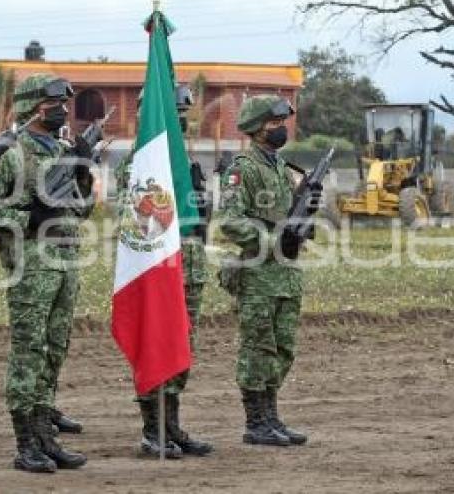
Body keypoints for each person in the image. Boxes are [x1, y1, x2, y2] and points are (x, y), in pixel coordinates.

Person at [0, 73, 90, 473]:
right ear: (32, 107)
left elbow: (81, 210)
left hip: (65, 262)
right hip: (31, 266)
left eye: (64, 101)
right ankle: (26, 442)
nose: (62, 108)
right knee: (29, 353)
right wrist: (29, 217)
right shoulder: (12, 153)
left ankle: (46, 435)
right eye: (53, 102)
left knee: (54, 350)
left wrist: (82, 172)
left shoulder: (62, 150)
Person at [114, 84, 212, 458]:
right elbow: (140, 223)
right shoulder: (139, 164)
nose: (181, 120)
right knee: (155, 340)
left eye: (183, 113)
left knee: (181, 345)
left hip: (189, 267)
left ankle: (171, 425)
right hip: (157, 267)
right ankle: (152, 430)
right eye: (174, 113)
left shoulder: (185, 162)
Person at [217, 95, 311, 448]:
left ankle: (272, 417)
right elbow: (229, 221)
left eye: (282, 122)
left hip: (286, 273)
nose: (280, 128)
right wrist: (274, 241)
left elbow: (290, 219)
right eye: (274, 123)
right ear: (257, 127)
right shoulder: (244, 168)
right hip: (258, 273)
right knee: (258, 348)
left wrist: (303, 223)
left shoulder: (280, 166)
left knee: (283, 348)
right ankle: (255, 422)